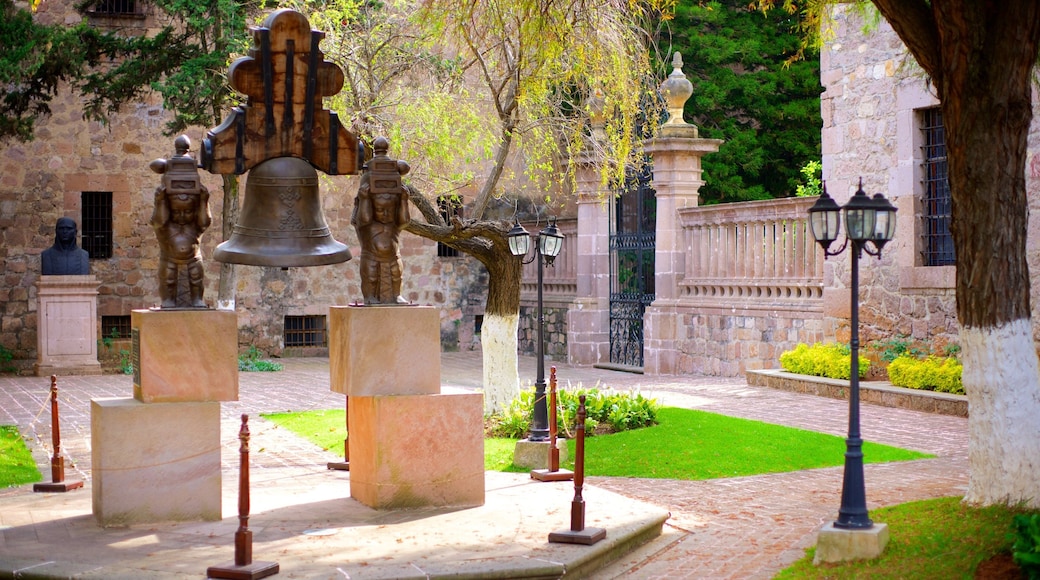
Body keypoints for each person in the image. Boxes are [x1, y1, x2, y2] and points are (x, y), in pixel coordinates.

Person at [149, 135, 211, 308]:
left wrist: (203, 201)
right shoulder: (165, 222)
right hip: (169, 257)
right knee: (167, 278)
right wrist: (160, 201)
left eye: (188, 211)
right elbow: (159, 222)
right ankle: (168, 300)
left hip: (193, 258)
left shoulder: (195, 223)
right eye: (177, 211)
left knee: (197, 277)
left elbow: (204, 223)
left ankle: (197, 299)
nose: (183, 215)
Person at [352, 136, 411, 304]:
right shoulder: (368, 220)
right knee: (370, 274)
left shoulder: (393, 220)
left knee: (396, 272)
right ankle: (370, 297)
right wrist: (364, 199)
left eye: (389, 209)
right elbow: (363, 219)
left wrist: (404, 200)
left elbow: (404, 221)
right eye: (380, 209)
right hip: (371, 254)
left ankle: (396, 294)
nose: (385, 213)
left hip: (392, 254)